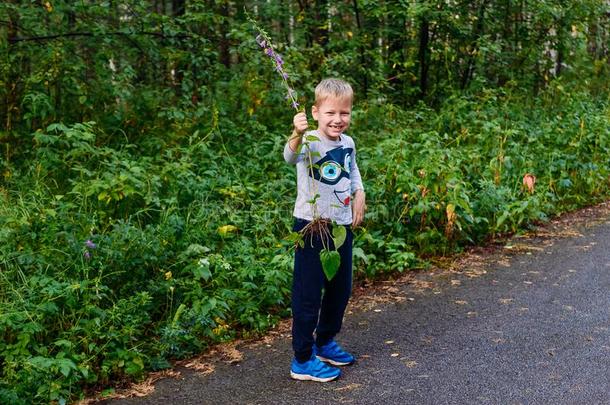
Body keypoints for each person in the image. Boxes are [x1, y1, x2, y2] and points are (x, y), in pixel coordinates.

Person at [283, 78, 366, 382]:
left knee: (339, 289)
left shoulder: (348, 143)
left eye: (344, 113)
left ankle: (325, 342)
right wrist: (296, 133)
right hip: (311, 226)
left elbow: (353, 170)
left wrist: (360, 193)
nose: (338, 119)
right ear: (316, 112)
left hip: (341, 227)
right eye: (331, 113)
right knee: (308, 294)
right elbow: (289, 156)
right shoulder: (309, 141)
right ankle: (302, 360)